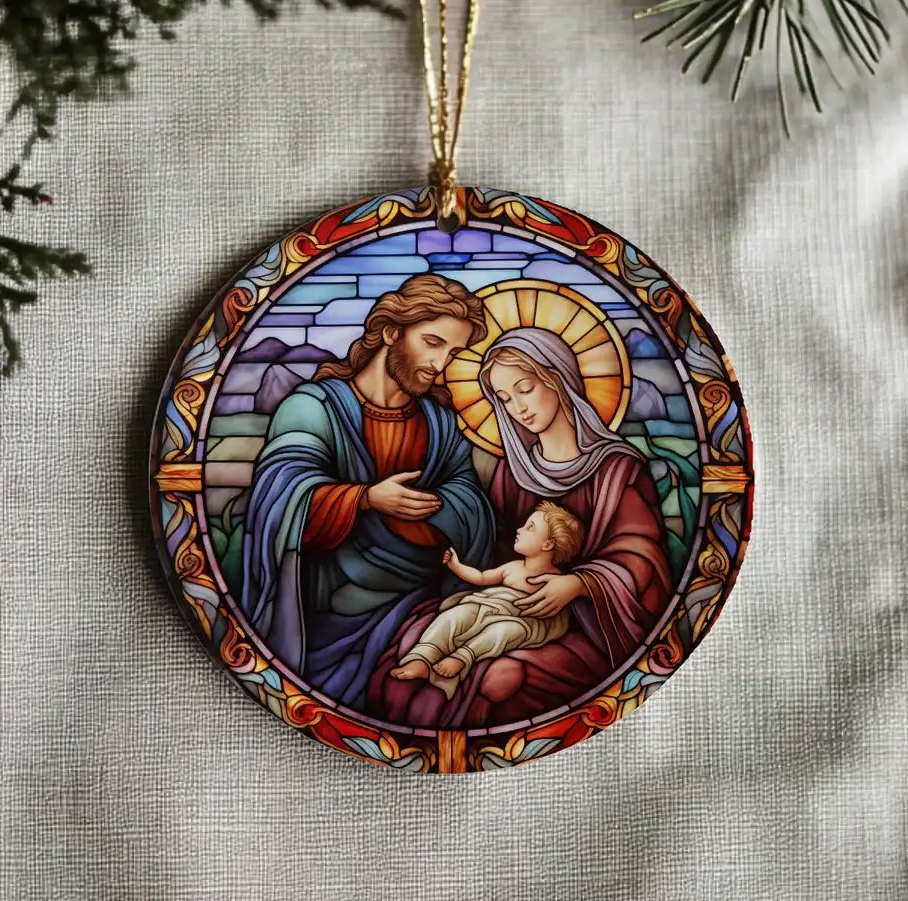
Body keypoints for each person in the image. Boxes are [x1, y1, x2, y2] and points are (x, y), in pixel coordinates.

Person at [367, 326, 673, 727]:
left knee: (498, 680)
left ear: (558, 378)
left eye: (525, 388)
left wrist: (580, 584)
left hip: (588, 622)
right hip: (508, 603)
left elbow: (642, 552)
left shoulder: (618, 468)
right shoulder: (514, 473)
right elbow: (498, 550)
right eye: (505, 399)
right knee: (409, 641)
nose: (517, 408)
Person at [238, 273, 495, 710]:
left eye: (453, 352)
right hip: (325, 611)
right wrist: (365, 499)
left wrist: (435, 508)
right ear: (391, 332)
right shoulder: (313, 407)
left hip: (422, 603)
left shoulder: (440, 421)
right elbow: (278, 494)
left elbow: (471, 501)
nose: (441, 363)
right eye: (433, 342)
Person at [390, 501, 584, 700]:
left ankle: (462, 657)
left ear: (548, 544)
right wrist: (456, 566)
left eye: (530, 528)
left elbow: (554, 615)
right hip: (490, 606)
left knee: (502, 631)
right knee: (455, 615)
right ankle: (423, 657)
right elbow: (481, 578)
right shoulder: (512, 567)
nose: (520, 529)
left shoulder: (558, 582)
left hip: (525, 622)